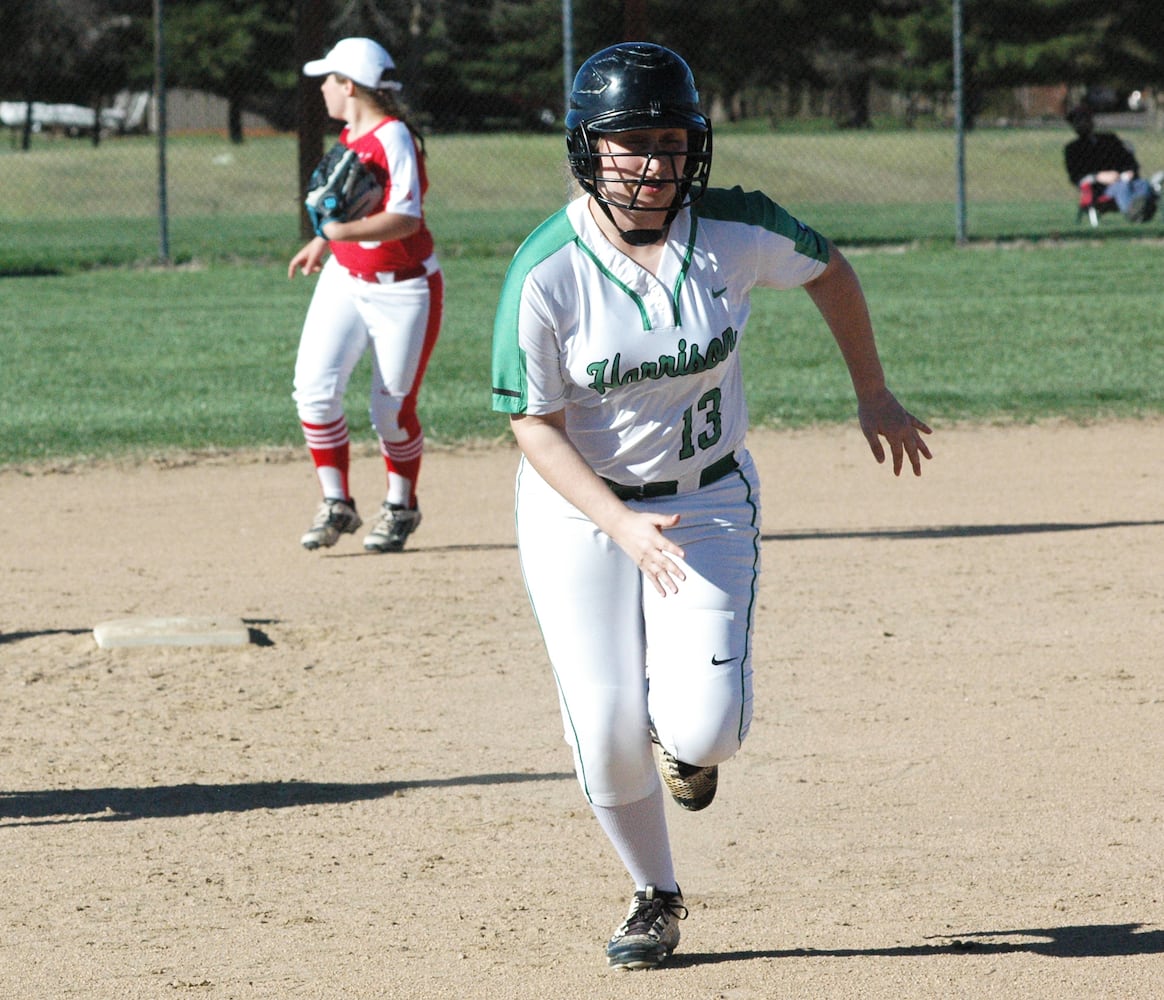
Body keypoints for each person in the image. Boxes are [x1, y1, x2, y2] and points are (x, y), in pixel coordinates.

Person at [490, 42, 932, 970]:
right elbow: (532, 424)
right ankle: (654, 893)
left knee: (709, 730)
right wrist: (617, 524)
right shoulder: (547, 272)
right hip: (580, 512)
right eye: (628, 144)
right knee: (606, 732)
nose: (654, 164)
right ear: (586, 150)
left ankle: (681, 741)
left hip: (709, 502)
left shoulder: (733, 229)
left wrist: (874, 392)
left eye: (671, 140)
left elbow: (831, 273)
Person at [289, 37, 443, 552]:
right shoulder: (351, 132)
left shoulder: (393, 135)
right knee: (313, 389)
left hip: (404, 290)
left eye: (328, 80)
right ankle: (337, 503)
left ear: (349, 85)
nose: (324, 91)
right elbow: (353, 207)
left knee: (390, 412)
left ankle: (402, 506)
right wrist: (321, 242)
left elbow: (405, 218)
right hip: (346, 279)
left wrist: (335, 234)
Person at [1064, 103, 1160, 223]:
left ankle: (1144, 212)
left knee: (1144, 185)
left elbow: (1128, 160)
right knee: (1122, 187)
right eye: (1077, 121)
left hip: (1123, 178)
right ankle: (1135, 215)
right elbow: (1076, 176)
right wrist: (1097, 177)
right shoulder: (1073, 149)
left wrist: (1129, 171)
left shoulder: (1110, 140)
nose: (1082, 124)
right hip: (1099, 189)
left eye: (1085, 119)